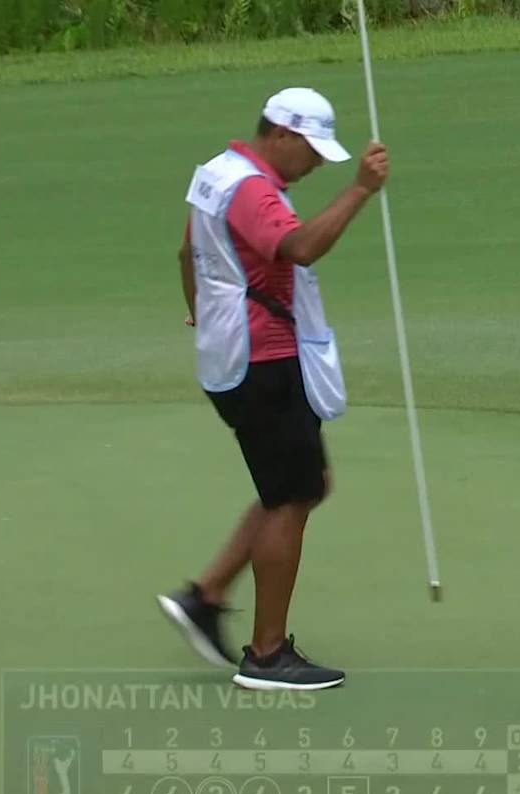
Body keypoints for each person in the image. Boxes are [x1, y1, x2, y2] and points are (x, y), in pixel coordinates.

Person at [156, 87, 388, 690]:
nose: (313, 164)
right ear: (279, 134)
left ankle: (206, 596)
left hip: (233, 356)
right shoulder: (254, 190)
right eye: (309, 151)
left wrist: (202, 314)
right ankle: (265, 656)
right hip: (265, 360)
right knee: (291, 496)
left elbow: (188, 254)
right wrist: (360, 189)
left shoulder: (217, 173)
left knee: (303, 484)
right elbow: (302, 247)